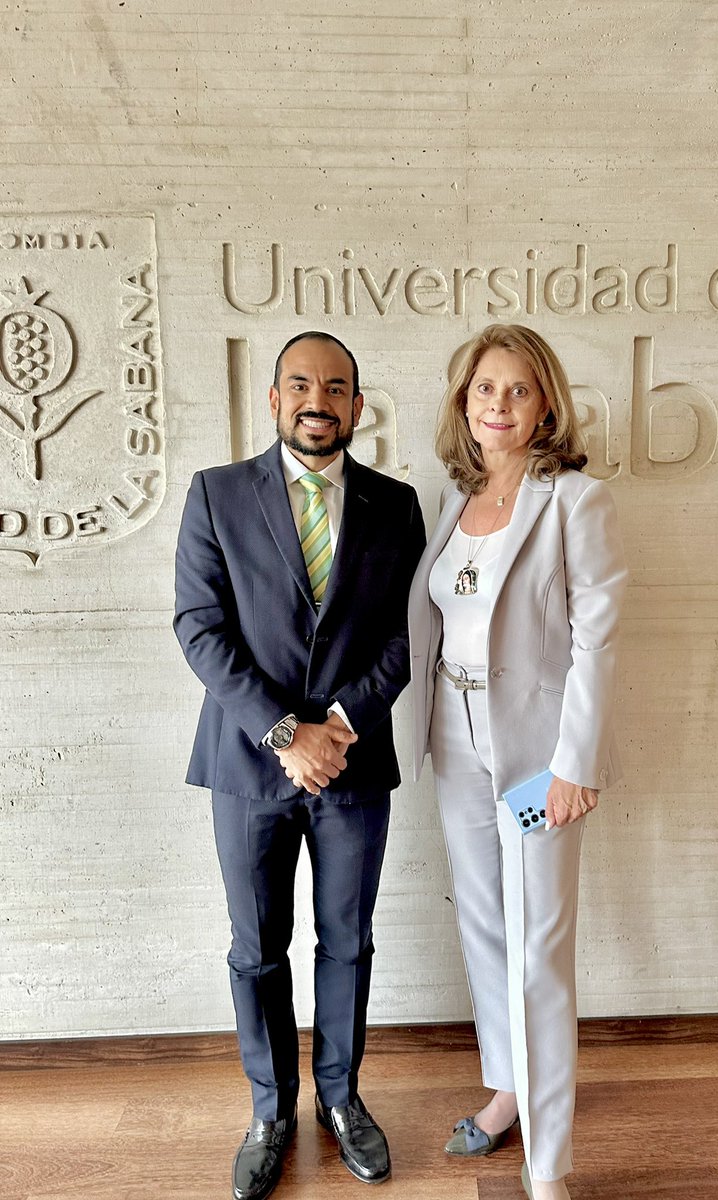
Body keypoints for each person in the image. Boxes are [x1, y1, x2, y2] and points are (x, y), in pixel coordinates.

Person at [174, 331, 425, 1200]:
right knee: (256, 949)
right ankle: (269, 1111)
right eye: (301, 383)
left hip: (353, 766)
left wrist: (340, 726)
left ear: (359, 406)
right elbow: (199, 627)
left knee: (347, 943)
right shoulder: (214, 495)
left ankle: (342, 1100)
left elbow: (407, 635)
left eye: (338, 385)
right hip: (249, 768)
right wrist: (287, 733)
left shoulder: (397, 506)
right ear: (275, 400)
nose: (319, 398)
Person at [408, 324, 628, 1200]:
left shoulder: (576, 500)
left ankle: (549, 1167)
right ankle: (507, 1094)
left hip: (539, 755)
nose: (498, 405)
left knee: (539, 947)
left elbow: (597, 643)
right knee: (485, 928)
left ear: (546, 406)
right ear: (464, 402)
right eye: (484, 389)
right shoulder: (451, 502)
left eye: (519, 390)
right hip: (454, 738)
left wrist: (579, 764)